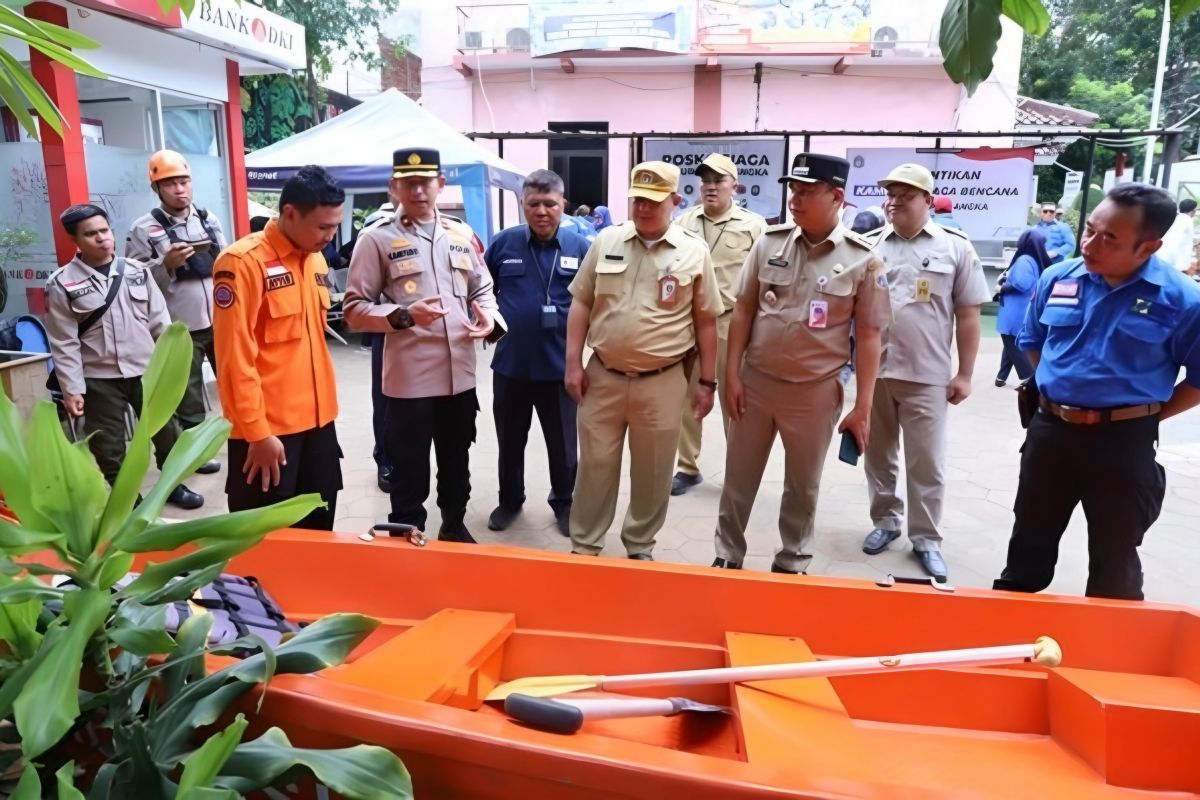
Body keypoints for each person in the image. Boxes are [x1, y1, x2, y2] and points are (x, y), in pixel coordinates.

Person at [993, 184, 1200, 600]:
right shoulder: (1059, 278)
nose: (1090, 244)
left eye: (1109, 238)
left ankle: (1107, 653)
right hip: (1051, 431)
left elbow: (1197, 382)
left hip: (1124, 445)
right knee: (1027, 545)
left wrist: (1140, 417)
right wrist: (1061, 392)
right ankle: (1008, 637)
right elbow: (1032, 339)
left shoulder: (1183, 301)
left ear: (1148, 246)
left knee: (1115, 559)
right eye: (1090, 230)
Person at [712, 154, 890, 573]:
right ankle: (727, 554)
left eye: (807, 191)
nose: (796, 198)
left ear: (837, 196)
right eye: (794, 189)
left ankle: (792, 560)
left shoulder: (864, 259)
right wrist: (732, 374)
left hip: (814, 392)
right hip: (756, 384)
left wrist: (862, 406)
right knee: (738, 478)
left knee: (802, 487)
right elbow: (743, 310)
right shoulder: (769, 242)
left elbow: (869, 336)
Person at [344, 148, 504, 543]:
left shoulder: (461, 235)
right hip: (409, 383)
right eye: (408, 183)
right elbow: (353, 309)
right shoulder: (376, 238)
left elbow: (482, 286)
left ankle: (454, 524)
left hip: (459, 378)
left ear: (440, 185)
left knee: (456, 463)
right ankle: (406, 534)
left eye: (425, 182)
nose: (417, 190)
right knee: (409, 469)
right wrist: (403, 315)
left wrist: (489, 316)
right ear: (394, 187)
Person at [565, 160, 722, 560]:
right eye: (637, 199)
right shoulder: (607, 241)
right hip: (603, 375)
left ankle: (639, 544)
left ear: (675, 200)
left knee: (653, 471)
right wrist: (572, 363)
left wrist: (707, 382)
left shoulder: (693, 250)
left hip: (664, 380)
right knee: (595, 466)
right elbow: (582, 302)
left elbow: (706, 321)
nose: (644, 208)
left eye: (654, 201)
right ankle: (585, 543)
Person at [861, 164, 990, 581]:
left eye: (906, 194)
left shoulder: (956, 248)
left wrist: (965, 373)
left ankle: (926, 539)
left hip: (927, 376)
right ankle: (885, 521)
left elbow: (969, 315)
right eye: (891, 192)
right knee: (879, 457)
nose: (894, 200)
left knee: (926, 463)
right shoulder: (869, 246)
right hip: (876, 374)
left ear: (928, 201)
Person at [212, 165, 345, 530]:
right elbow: (234, 359)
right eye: (322, 227)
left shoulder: (315, 258)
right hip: (269, 435)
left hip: (319, 424)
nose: (330, 238)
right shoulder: (242, 264)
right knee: (264, 539)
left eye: (335, 226)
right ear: (289, 213)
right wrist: (257, 433)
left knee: (319, 529)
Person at [45, 204, 203, 509]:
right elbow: (64, 343)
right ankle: (127, 497)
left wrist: (173, 366)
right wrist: (72, 389)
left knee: (167, 432)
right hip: (99, 379)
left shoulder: (136, 272)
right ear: (75, 240)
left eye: (104, 231)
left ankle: (172, 485)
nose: (102, 239)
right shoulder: (62, 283)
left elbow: (161, 322)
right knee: (107, 444)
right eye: (91, 234)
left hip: (146, 371)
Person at [484, 169, 590, 535]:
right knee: (510, 442)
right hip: (511, 366)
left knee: (563, 448)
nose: (542, 211)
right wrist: (488, 326)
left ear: (563, 204)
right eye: (533, 204)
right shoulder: (502, 244)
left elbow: (593, 302)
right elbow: (483, 294)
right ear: (522, 205)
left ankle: (564, 502)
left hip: (561, 368)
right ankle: (510, 500)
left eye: (550, 203)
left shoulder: (581, 247)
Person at [670, 153, 767, 496]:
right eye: (706, 181)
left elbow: (765, 279)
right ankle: (687, 466)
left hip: (730, 324)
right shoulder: (683, 223)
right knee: (686, 397)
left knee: (733, 398)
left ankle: (738, 470)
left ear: (734, 185)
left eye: (719, 181)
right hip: (689, 325)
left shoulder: (754, 226)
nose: (711, 187)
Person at [125, 149, 227, 475]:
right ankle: (194, 454)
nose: (180, 189)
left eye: (184, 181)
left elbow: (228, 264)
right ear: (157, 188)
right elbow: (133, 282)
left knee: (237, 381)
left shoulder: (208, 219)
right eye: (170, 184)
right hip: (180, 326)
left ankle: (247, 438)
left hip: (222, 319)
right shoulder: (143, 229)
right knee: (189, 394)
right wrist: (165, 265)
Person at [994, 229, 1052, 386]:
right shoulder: (1034, 261)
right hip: (1022, 310)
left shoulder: (1024, 260)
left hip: (1014, 311)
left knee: (1011, 342)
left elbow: (1023, 283)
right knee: (1009, 343)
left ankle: (1029, 378)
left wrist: (1002, 288)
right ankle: (1001, 377)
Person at [1159, 198, 1196, 273]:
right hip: (1175, 263)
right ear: (1192, 211)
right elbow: (1181, 242)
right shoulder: (1188, 220)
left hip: (1164, 258)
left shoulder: (1176, 218)